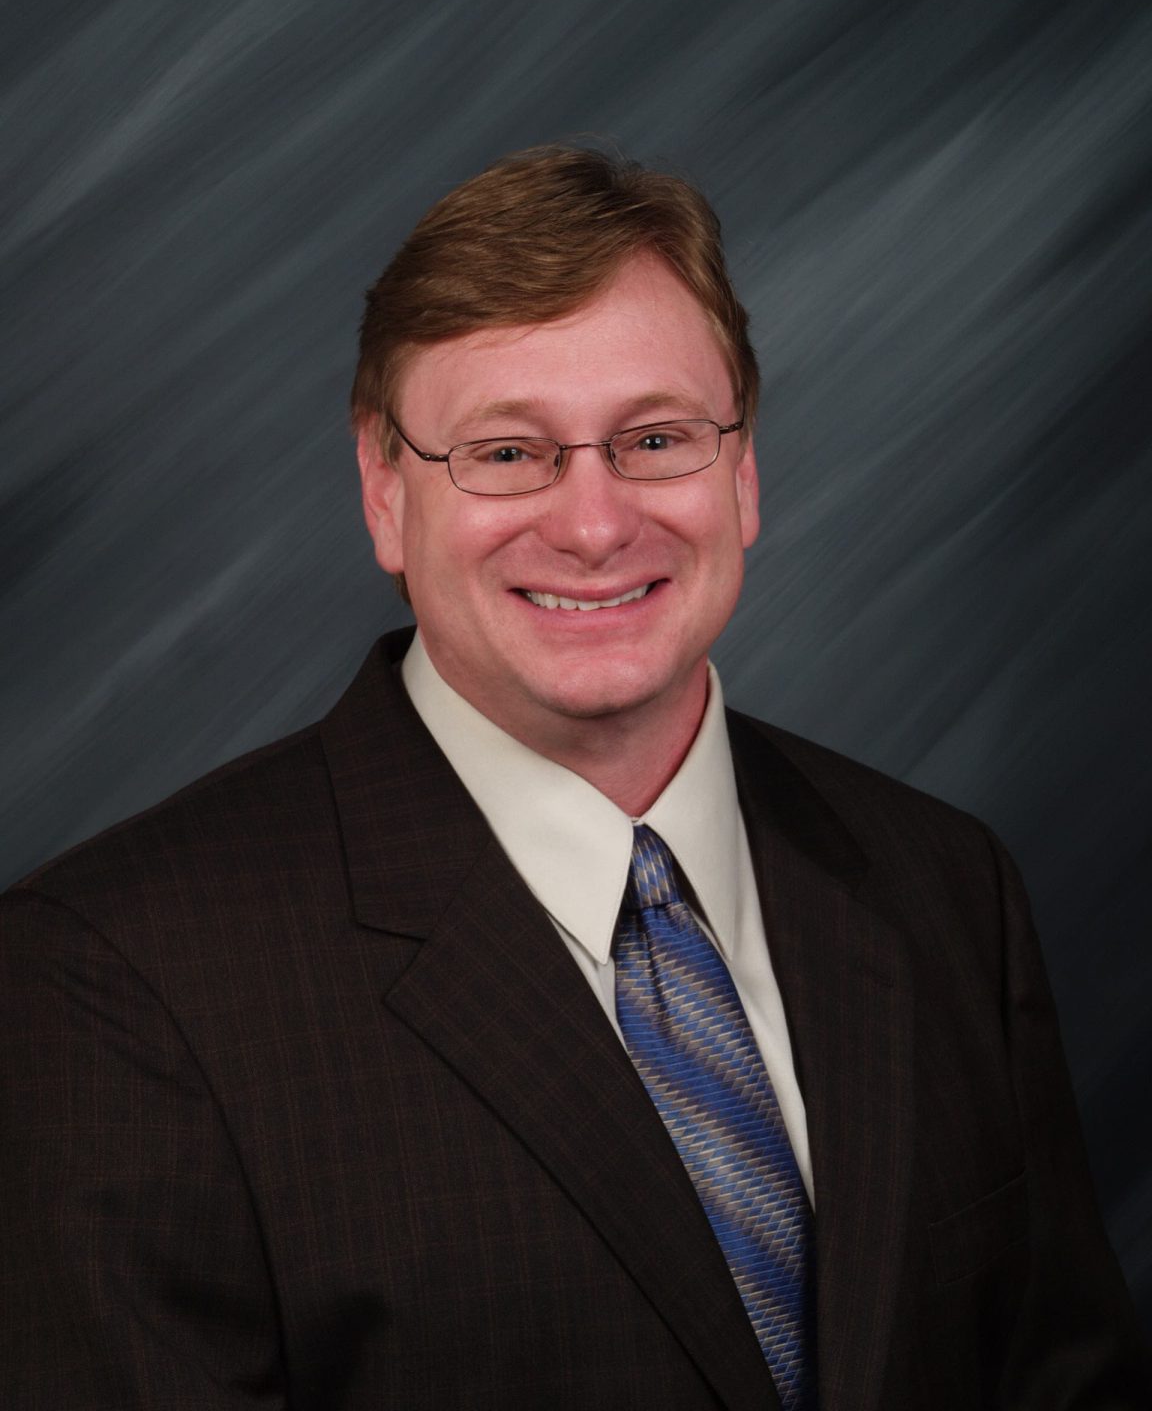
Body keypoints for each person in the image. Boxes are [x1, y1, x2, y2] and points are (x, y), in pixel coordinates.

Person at [1, 145, 1147, 1411]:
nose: (596, 526)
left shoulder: (946, 887)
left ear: (742, 472)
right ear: (384, 491)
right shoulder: (116, 983)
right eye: (507, 453)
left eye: (655, 439)